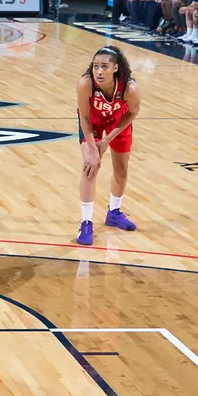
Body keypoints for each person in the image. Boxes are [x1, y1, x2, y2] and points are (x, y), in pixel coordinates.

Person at [75, 46, 138, 246]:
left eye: (104, 67)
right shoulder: (86, 84)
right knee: (90, 166)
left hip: (118, 123)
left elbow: (132, 113)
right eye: (95, 67)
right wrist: (93, 149)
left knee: (121, 168)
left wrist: (107, 139)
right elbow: (84, 117)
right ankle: (86, 222)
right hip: (92, 122)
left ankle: (114, 212)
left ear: (116, 68)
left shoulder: (129, 88)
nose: (99, 71)